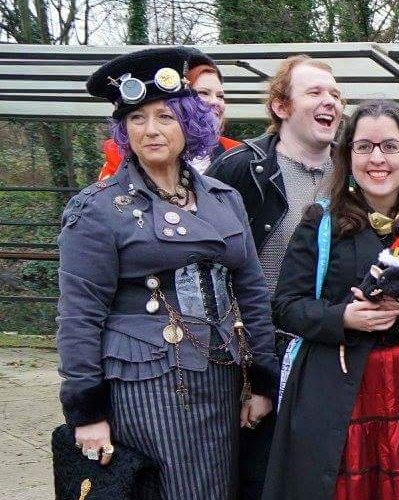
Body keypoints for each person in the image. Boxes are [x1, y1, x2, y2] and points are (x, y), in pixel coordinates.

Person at [60, 47, 277, 499]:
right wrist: (87, 412)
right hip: (144, 385)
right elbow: (79, 316)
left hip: (221, 377)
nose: (151, 130)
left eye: (165, 116)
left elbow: (252, 292)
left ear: (188, 122)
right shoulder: (97, 208)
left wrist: (261, 380)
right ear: (124, 130)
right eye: (136, 119)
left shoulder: (223, 198)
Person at [262, 100, 399, 500]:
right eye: (364, 147)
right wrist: (344, 318)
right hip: (337, 401)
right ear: (348, 155)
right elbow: (286, 306)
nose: (377, 159)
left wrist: (398, 315)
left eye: (390, 146)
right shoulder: (320, 222)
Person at [204, 53, 343, 499]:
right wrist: (249, 372)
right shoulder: (239, 169)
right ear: (281, 107)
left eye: (336, 93)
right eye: (315, 92)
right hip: (260, 349)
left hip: (328, 347)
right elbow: (212, 272)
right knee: (258, 477)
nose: (331, 101)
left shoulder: (355, 171)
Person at [99, 47, 240, 179]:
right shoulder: (121, 152)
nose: (215, 102)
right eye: (203, 93)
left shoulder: (237, 153)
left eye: (220, 96)